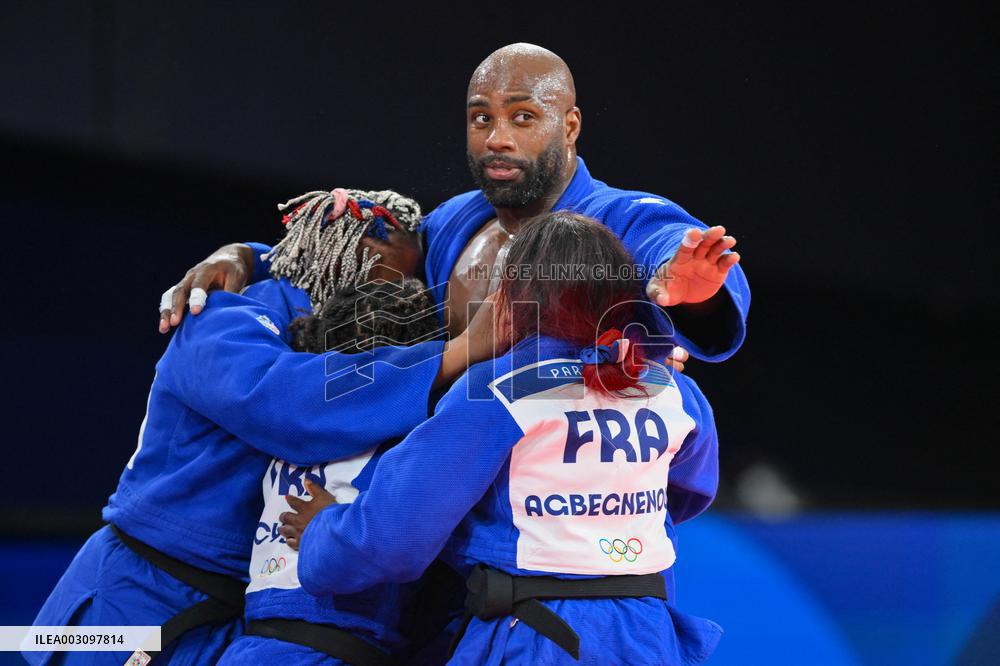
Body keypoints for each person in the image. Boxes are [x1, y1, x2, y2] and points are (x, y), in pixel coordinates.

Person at [27, 188, 490, 665]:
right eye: (411, 272)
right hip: (132, 594)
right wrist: (454, 355)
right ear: (371, 246)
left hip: (235, 611)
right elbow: (291, 406)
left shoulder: (329, 333)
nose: (412, 290)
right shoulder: (219, 313)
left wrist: (250, 253)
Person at [280, 211, 724, 665]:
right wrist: (600, 512)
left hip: (535, 639)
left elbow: (392, 539)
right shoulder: (676, 390)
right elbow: (691, 490)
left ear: (511, 297)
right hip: (648, 636)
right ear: (622, 298)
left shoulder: (496, 390)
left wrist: (323, 533)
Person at [159, 43, 749, 371]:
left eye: (522, 117)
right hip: (442, 529)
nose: (497, 137)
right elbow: (362, 262)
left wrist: (695, 294)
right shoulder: (452, 223)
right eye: (480, 118)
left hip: (560, 534)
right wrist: (250, 258)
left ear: (569, 126)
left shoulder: (616, 218)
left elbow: (667, 247)